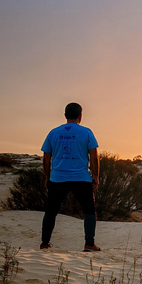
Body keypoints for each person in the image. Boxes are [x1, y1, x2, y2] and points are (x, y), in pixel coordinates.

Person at [40, 102, 100, 252]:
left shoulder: (53, 132)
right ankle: (89, 243)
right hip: (81, 177)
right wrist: (96, 175)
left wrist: (47, 176)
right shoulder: (86, 132)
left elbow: (46, 157)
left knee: (51, 211)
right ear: (80, 116)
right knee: (89, 211)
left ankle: (45, 243)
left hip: (58, 177)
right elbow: (94, 156)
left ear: (65, 115)